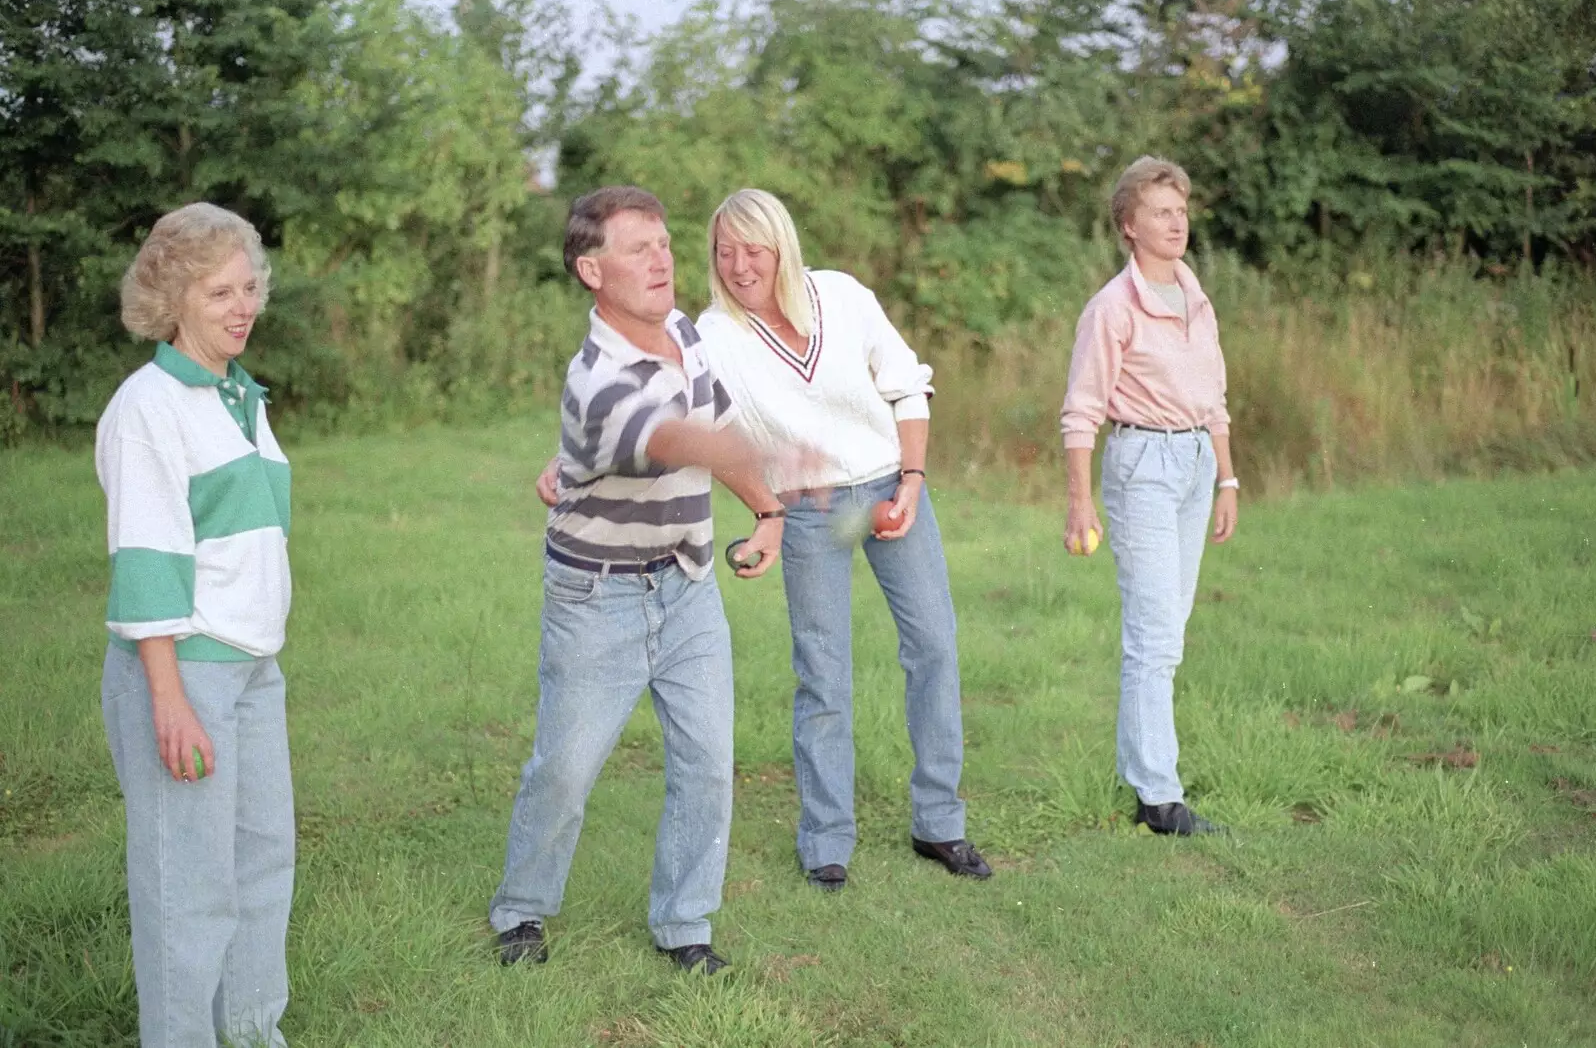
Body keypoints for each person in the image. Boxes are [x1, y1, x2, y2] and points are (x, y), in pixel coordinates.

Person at [492, 186, 790, 975]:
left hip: (688, 583)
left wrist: (769, 510)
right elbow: (673, 438)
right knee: (565, 767)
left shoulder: (687, 332)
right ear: (592, 270)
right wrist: (790, 459)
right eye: (638, 248)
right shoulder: (595, 379)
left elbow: (717, 421)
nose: (662, 258)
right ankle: (521, 911)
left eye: (664, 243)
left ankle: (685, 926)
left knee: (707, 761)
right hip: (599, 596)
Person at [692, 187, 991, 891]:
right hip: (807, 511)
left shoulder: (843, 296)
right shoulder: (713, 335)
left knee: (935, 646)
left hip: (890, 487)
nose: (739, 266)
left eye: (754, 249)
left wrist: (912, 481)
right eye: (725, 252)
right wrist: (767, 507)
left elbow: (905, 385)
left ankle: (939, 822)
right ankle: (826, 838)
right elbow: (702, 432)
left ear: (782, 248)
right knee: (822, 671)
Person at [95, 202, 295, 1046]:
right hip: (183, 672)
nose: (242, 304)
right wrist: (168, 700)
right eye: (220, 291)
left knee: (261, 867)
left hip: (253, 668)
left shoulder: (237, 394)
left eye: (250, 286)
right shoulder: (150, 406)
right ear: (173, 298)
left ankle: (251, 1031)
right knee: (189, 887)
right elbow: (147, 562)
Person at [1058, 156, 1239, 835]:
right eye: (1161, 212)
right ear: (1129, 225)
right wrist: (1080, 502)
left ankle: (1153, 780)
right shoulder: (1112, 308)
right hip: (1141, 465)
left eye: (1182, 211)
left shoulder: (1196, 299)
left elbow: (1214, 397)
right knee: (1154, 634)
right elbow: (1081, 410)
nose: (1176, 222)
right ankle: (1157, 796)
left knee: (1171, 630)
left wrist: (1226, 477)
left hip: (1194, 460)